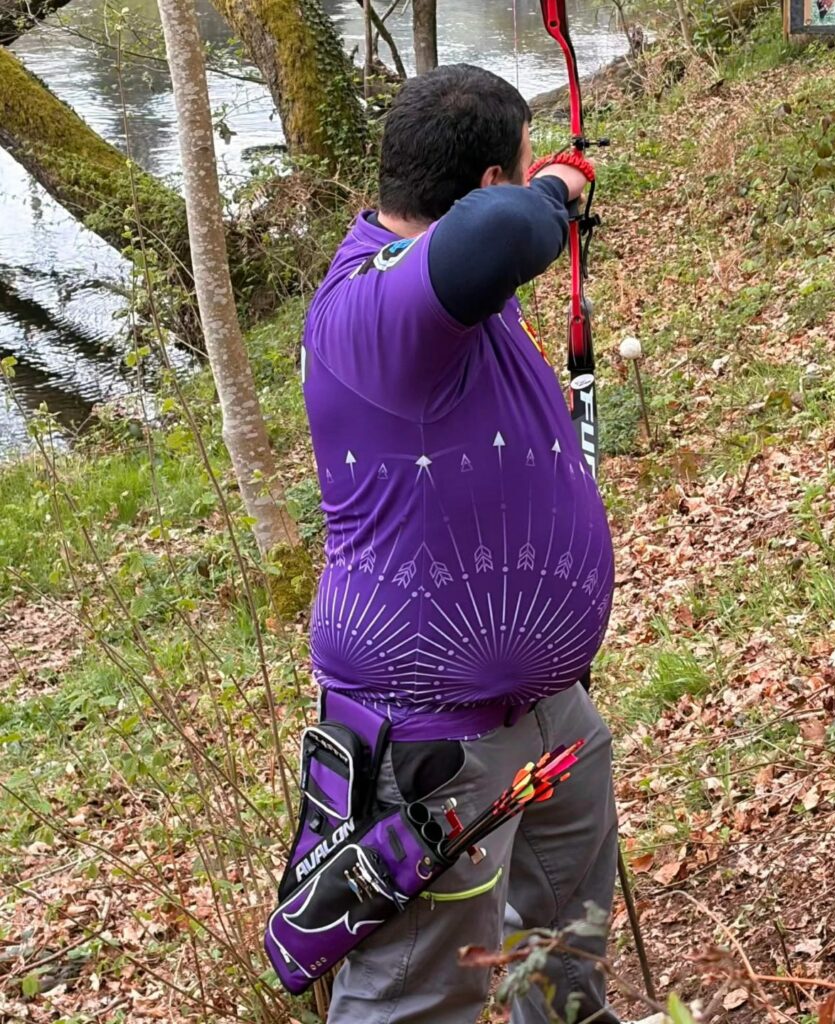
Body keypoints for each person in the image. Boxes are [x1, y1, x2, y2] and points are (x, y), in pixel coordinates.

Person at [301, 63, 622, 1024]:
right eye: (517, 169)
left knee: (562, 939)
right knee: (414, 995)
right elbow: (502, 232)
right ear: (487, 185)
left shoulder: (449, 293)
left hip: (545, 708)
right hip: (430, 737)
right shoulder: (374, 307)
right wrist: (559, 186)